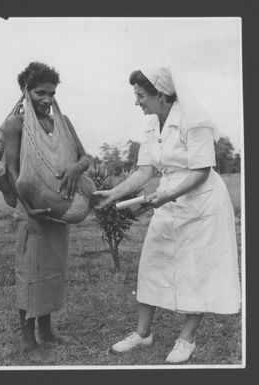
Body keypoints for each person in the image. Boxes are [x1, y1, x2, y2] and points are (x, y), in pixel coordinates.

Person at [93, 66, 241, 364]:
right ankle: (143, 333)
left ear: (161, 95)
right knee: (153, 263)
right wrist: (116, 193)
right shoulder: (151, 124)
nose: (137, 102)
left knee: (195, 270)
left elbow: (200, 171)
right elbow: (145, 170)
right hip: (167, 199)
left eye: (141, 95)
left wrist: (166, 196)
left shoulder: (194, 119)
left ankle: (187, 339)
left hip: (201, 201)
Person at [3, 62, 90, 359]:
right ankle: (28, 342)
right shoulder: (15, 124)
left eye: (52, 93)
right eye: (40, 92)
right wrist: (28, 207)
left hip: (58, 205)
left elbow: (84, 157)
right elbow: (12, 170)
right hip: (31, 210)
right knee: (30, 272)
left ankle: (48, 331)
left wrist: (73, 169)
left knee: (51, 271)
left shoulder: (62, 122)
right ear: (25, 91)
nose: (47, 98)